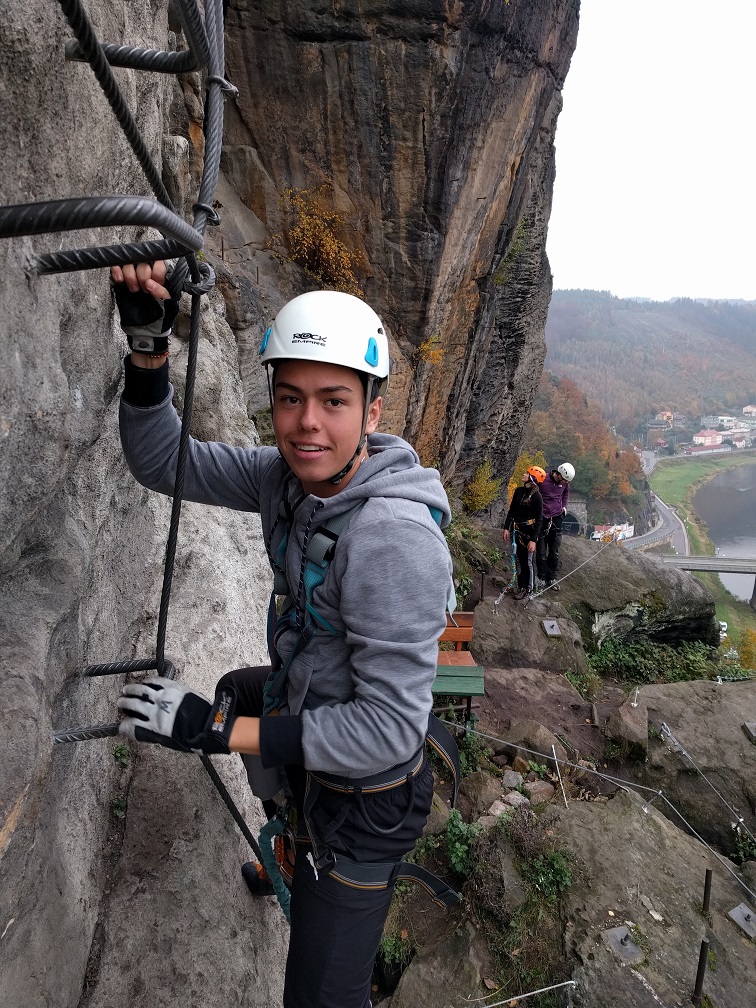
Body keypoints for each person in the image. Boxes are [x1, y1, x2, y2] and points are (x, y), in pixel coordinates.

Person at [111, 261, 456, 1008]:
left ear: (372, 410)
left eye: (334, 401)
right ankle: (289, 849)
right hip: (311, 712)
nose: (308, 423)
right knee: (243, 690)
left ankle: (321, 885)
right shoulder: (286, 478)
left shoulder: (392, 540)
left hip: (368, 799)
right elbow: (164, 461)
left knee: (316, 999)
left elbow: (391, 731)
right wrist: (147, 353)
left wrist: (217, 732)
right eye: (291, 398)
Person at [502, 466, 545, 599]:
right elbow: (512, 511)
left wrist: (533, 540)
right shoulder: (519, 491)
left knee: (528, 562)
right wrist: (506, 527)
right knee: (519, 559)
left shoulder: (537, 497)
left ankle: (529, 589)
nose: (524, 474)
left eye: (527, 473)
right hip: (517, 530)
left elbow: (539, 519)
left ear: (532, 478)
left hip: (529, 532)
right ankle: (521, 586)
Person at [536, 462, 575, 590]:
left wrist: (564, 506)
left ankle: (551, 578)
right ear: (559, 474)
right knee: (541, 551)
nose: (565, 483)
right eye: (564, 480)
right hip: (542, 517)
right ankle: (541, 578)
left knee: (554, 550)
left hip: (557, 517)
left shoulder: (565, 484)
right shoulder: (543, 479)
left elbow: (565, 493)